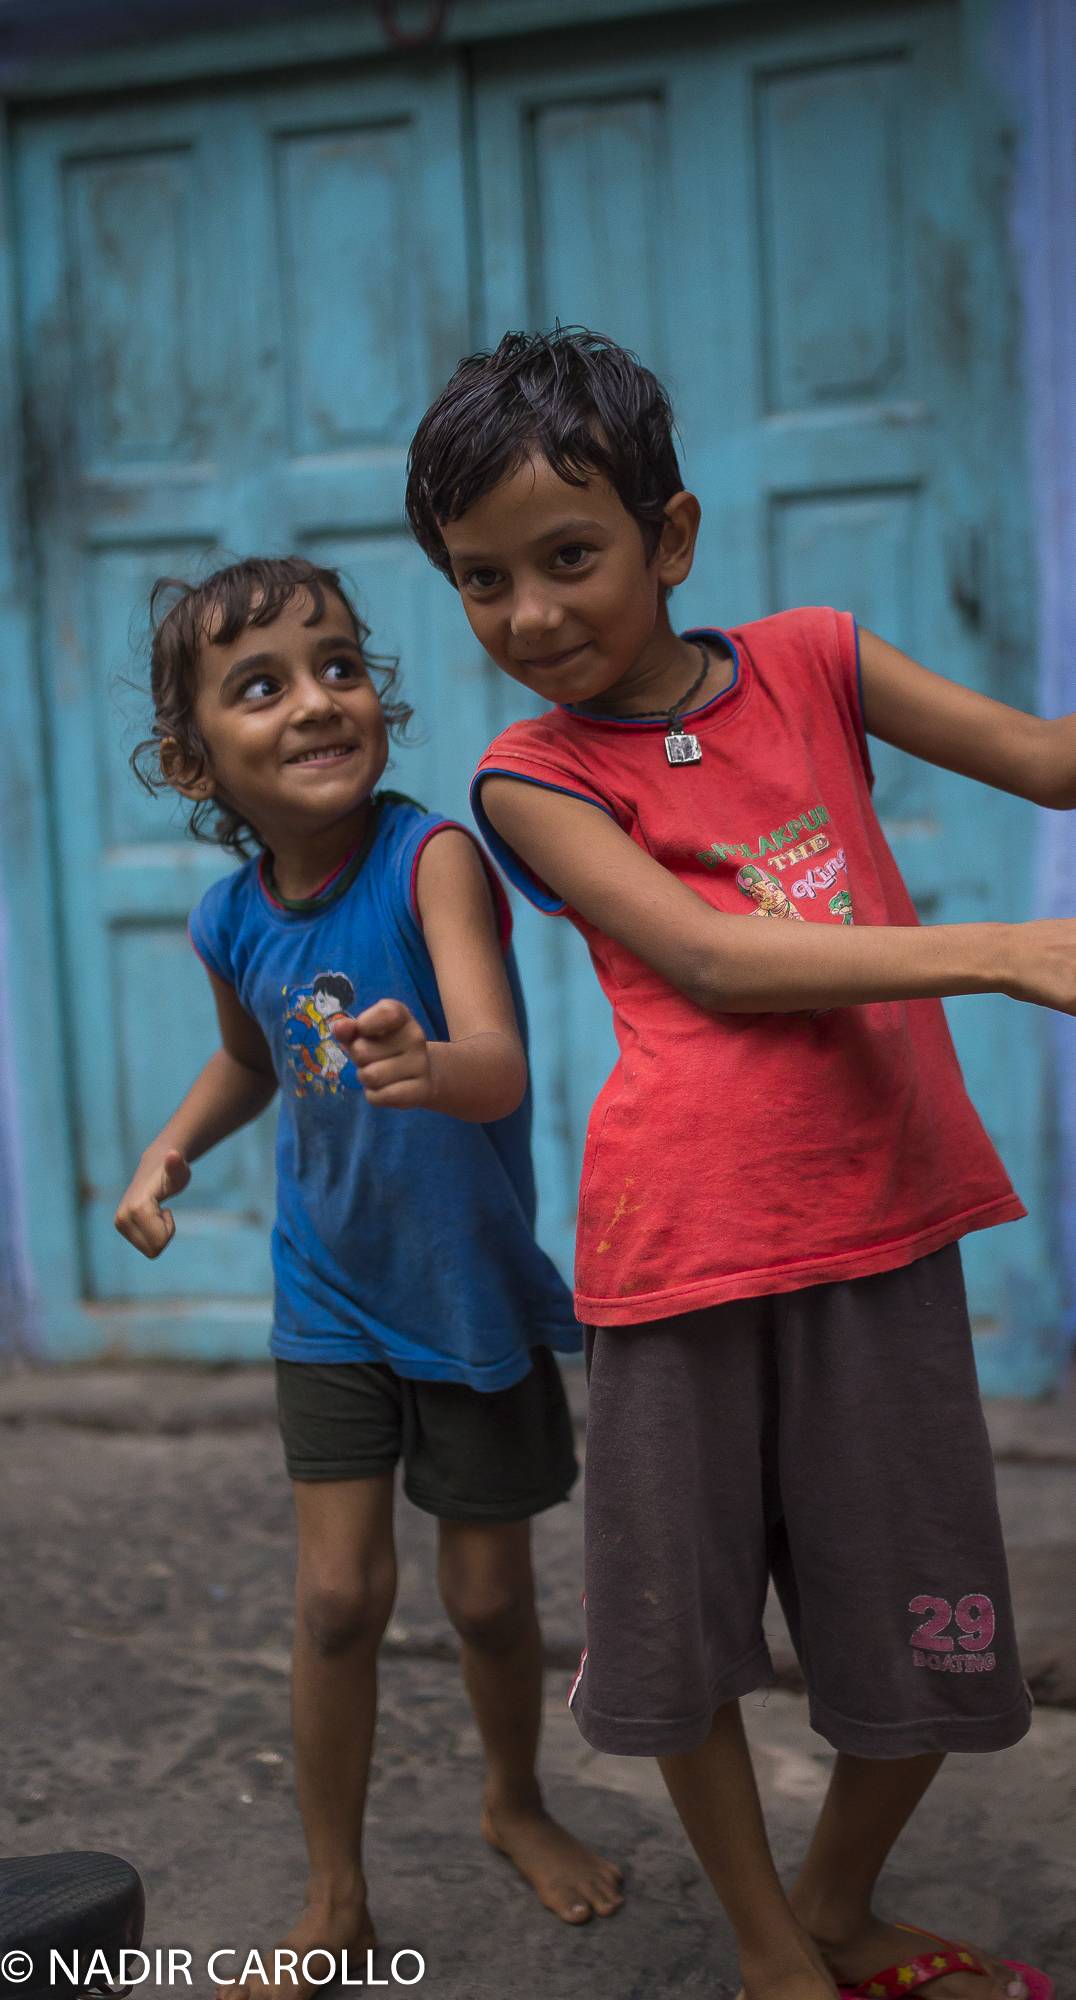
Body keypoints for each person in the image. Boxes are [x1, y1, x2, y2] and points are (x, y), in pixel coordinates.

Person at [401, 330, 1076, 2000]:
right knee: (679, 1639)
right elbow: (713, 961)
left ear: (668, 539)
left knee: (926, 1627)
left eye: (568, 558)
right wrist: (1001, 953)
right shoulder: (528, 778)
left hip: (879, 1224)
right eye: (482, 583)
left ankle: (835, 1900)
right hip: (679, 1250)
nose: (532, 616)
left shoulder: (814, 659)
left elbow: (1052, 760)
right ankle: (771, 1953)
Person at [113, 556, 624, 2000]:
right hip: (324, 1295)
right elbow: (252, 1055)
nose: (315, 701)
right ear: (193, 750)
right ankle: (332, 1899)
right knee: (337, 1602)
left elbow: (497, 1061)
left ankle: (512, 1800)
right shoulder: (230, 917)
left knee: (483, 1603)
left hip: (466, 1298)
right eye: (260, 686)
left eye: (338, 665)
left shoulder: (431, 859)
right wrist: (168, 1152)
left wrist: (429, 1066)